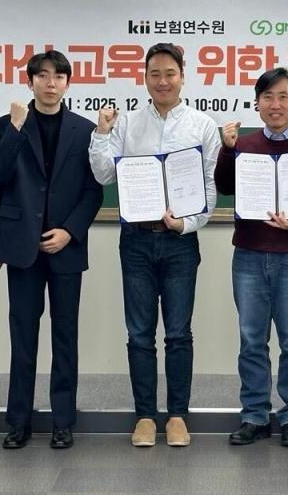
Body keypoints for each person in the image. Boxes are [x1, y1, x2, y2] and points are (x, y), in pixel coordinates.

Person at [89, 43, 220, 447]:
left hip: (180, 242)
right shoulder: (127, 123)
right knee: (139, 334)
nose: (163, 81)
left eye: (170, 73)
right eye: (155, 74)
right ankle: (145, 415)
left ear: (183, 76)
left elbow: (209, 188)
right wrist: (102, 132)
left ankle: (177, 415)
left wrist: (187, 223)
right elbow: (103, 175)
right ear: (144, 78)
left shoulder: (203, 126)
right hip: (136, 241)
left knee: (179, 333)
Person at [0, 50, 103, 449]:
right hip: (22, 248)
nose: (50, 83)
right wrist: (15, 128)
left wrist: (70, 231)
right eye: (42, 76)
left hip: (66, 248)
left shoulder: (85, 130)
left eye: (58, 76)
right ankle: (18, 421)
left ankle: (63, 421)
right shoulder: (8, 124)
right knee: (22, 336)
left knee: (65, 336)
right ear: (30, 81)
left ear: (68, 83)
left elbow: (93, 191)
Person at [215, 67, 288, 448]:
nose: (275, 104)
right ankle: (254, 415)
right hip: (249, 256)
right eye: (268, 97)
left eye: (283, 96)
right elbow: (224, 187)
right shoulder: (244, 145)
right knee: (251, 340)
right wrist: (227, 149)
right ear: (258, 103)